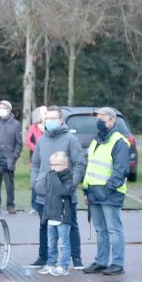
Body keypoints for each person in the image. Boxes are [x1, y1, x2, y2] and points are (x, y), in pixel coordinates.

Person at [30, 106, 84, 269]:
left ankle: (76, 258)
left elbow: (79, 164)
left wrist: (71, 185)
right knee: (44, 225)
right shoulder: (42, 140)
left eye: (54, 118)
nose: (50, 121)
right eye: (48, 118)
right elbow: (35, 164)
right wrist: (35, 183)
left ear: (61, 120)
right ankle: (44, 257)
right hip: (44, 193)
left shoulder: (71, 139)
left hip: (64, 194)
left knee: (70, 225)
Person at [81, 107, 130, 276]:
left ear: (111, 120)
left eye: (102, 117)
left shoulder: (120, 142)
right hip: (94, 192)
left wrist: (107, 189)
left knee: (114, 229)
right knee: (100, 230)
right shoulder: (95, 141)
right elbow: (90, 168)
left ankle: (117, 263)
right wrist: (86, 189)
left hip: (111, 193)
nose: (98, 121)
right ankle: (101, 261)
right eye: (98, 118)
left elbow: (120, 171)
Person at [39, 151, 77, 276]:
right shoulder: (50, 177)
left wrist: (54, 177)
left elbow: (62, 191)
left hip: (62, 217)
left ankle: (64, 266)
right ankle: (51, 263)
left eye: (57, 165)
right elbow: (48, 197)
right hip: (51, 216)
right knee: (51, 243)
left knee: (64, 243)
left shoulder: (68, 179)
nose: (53, 168)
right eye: (52, 165)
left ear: (65, 165)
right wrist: (46, 215)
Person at [0, 100, 23, 213]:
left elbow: (19, 143)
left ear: (9, 110)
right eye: (0, 108)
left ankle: (10, 205)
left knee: (9, 185)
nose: (2, 110)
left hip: (9, 160)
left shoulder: (15, 124)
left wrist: (14, 157)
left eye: (4, 108)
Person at [27, 105, 47, 215]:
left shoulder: (49, 127)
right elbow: (29, 141)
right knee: (35, 183)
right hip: (35, 159)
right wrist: (38, 149)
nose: (45, 115)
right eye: (43, 113)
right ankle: (34, 206)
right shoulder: (33, 127)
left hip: (48, 160)